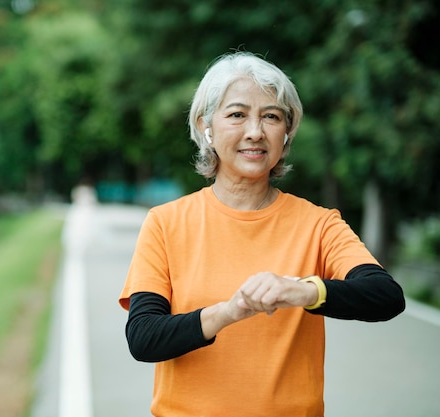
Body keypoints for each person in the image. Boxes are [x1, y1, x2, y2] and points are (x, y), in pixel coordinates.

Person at [118, 51, 406, 417]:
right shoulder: (165, 222)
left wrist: (302, 290)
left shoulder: (318, 223)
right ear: (206, 127)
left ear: (286, 133)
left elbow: (385, 296)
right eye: (237, 114)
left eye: (271, 116)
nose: (255, 132)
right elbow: (144, 337)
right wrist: (229, 312)